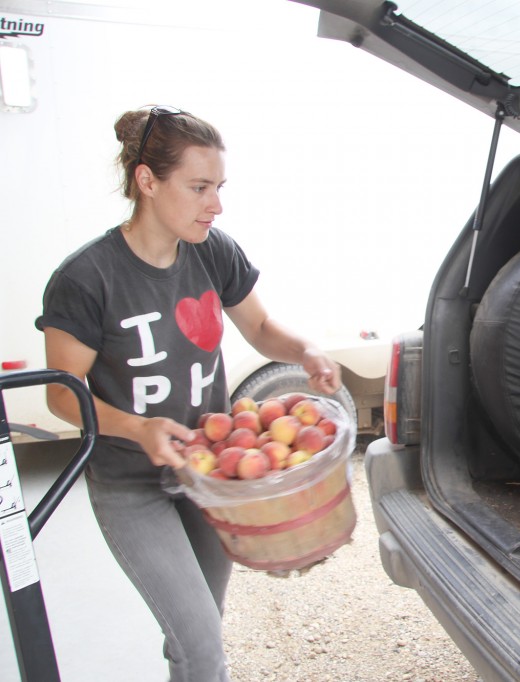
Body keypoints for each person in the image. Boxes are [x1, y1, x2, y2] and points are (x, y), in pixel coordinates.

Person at [34, 105, 342, 681]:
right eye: (200, 187)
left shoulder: (212, 249)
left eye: (219, 187)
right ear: (147, 182)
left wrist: (305, 351)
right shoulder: (85, 278)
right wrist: (136, 427)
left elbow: (259, 328)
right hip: (131, 485)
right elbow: (61, 395)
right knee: (199, 640)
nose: (216, 204)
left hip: (209, 475)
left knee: (201, 626)